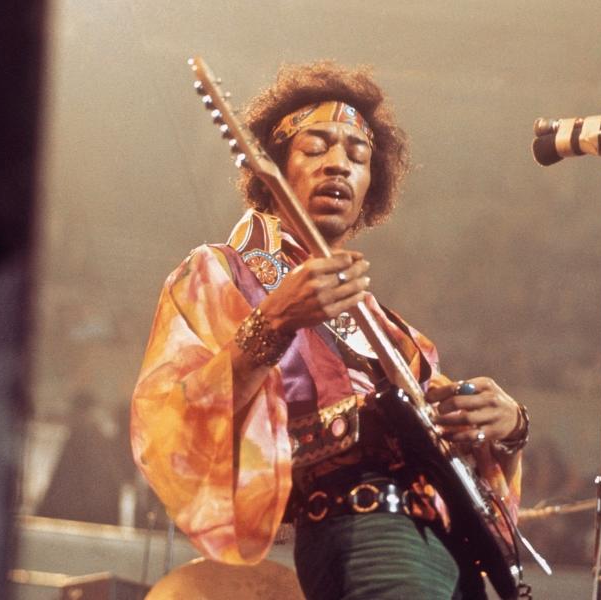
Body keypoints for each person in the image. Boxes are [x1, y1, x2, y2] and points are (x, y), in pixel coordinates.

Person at [130, 61, 529, 599]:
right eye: (316, 148)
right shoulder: (219, 274)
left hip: (453, 551)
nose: (339, 164)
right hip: (367, 527)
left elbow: (462, 466)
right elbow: (166, 423)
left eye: (357, 155)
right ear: (274, 168)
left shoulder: (401, 336)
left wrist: (508, 429)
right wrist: (272, 323)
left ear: (372, 186)